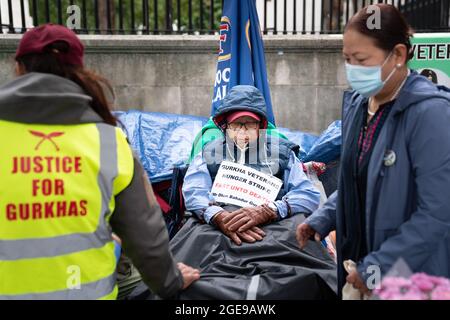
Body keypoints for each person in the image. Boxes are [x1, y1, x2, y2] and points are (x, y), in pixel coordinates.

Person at [0, 24, 199, 300]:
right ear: (78, 70)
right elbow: (146, 238)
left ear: (18, 67)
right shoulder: (109, 142)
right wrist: (171, 282)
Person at [297, 4, 450, 297]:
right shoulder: (358, 105)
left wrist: (378, 268)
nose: (353, 68)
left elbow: (437, 213)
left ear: (398, 55)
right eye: (347, 59)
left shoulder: (430, 113)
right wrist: (324, 216)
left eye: (362, 59)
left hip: (411, 278)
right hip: (361, 267)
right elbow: (362, 183)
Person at [183, 85, 321, 245]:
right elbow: (194, 191)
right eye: (236, 124)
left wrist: (270, 210)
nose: (242, 131)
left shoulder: (283, 152)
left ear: (260, 126)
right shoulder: (208, 152)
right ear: (225, 126)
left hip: (274, 225)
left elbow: (308, 194)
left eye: (249, 124)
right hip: (221, 225)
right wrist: (217, 216)